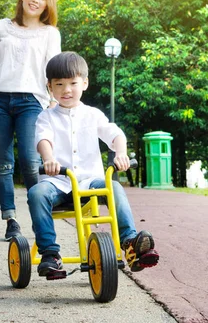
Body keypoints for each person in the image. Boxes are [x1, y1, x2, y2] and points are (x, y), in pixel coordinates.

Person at [28, 51, 160, 276]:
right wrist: (49, 159)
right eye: (59, 84)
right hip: (59, 182)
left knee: (114, 187)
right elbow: (44, 139)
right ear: (49, 86)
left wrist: (120, 153)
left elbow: (114, 134)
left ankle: (129, 242)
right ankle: (50, 254)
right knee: (36, 193)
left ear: (85, 83)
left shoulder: (93, 115)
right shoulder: (46, 117)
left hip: (90, 183)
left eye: (73, 83)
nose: (66, 90)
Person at [0, 0, 61, 241]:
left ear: (47, 4)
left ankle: (39, 217)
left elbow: (53, 69)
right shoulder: (3, 27)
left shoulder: (49, 33)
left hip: (32, 102)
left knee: (31, 162)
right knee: (2, 164)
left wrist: (54, 102)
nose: (36, 0)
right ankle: (10, 219)